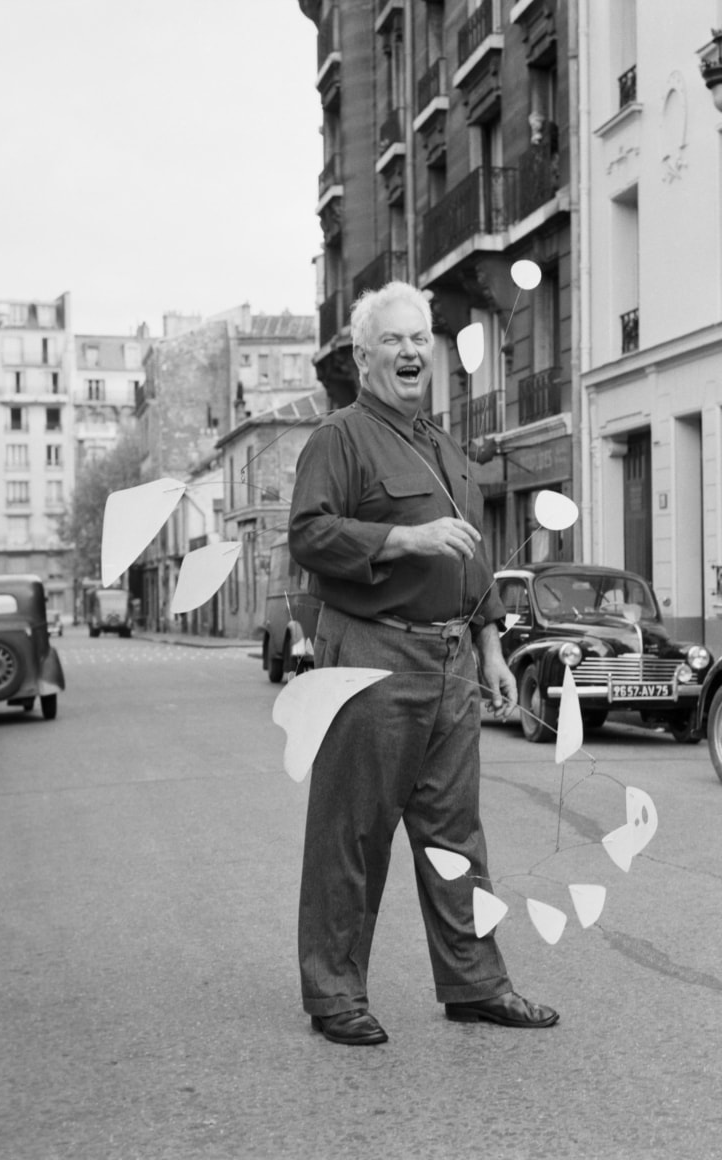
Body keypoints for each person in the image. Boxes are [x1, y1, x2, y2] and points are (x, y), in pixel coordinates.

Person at [288, 281, 559, 1046]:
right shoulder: (339, 438)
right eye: (393, 342)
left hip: (451, 658)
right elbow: (308, 534)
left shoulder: (442, 447)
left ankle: (474, 984)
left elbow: (470, 564)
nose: (410, 352)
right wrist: (400, 541)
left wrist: (491, 645)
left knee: (454, 836)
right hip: (373, 651)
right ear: (361, 356)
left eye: (419, 341)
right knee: (354, 832)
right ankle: (335, 995)